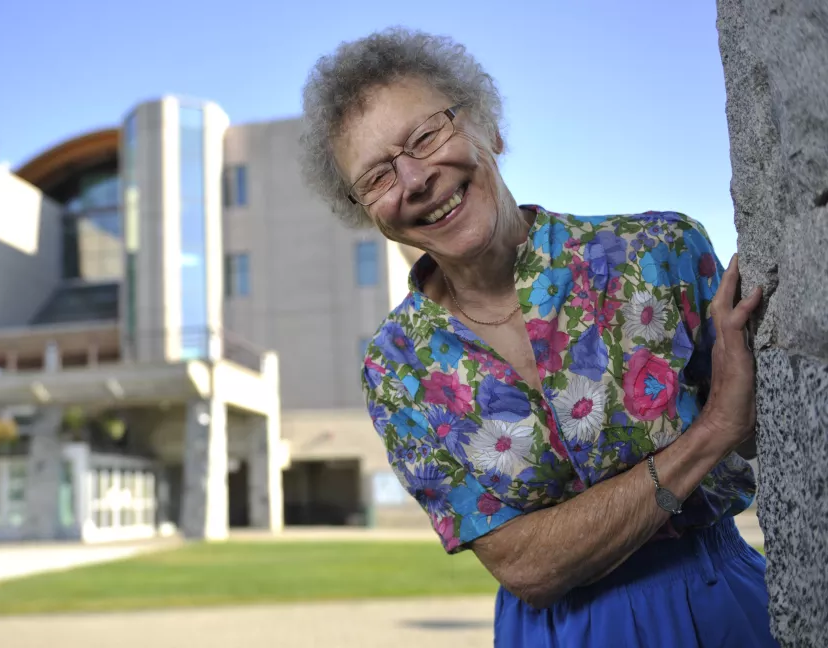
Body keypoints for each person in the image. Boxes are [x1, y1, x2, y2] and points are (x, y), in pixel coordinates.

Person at [298, 27, 775, 647]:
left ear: (488, 127)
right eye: (378, 177)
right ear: (368, 214)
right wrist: (710, 435)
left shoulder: (661, 252)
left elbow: (780, 429)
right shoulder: (397, 369)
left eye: (425, 136)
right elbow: (529, 567)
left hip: (718, 606)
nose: (414, 179)